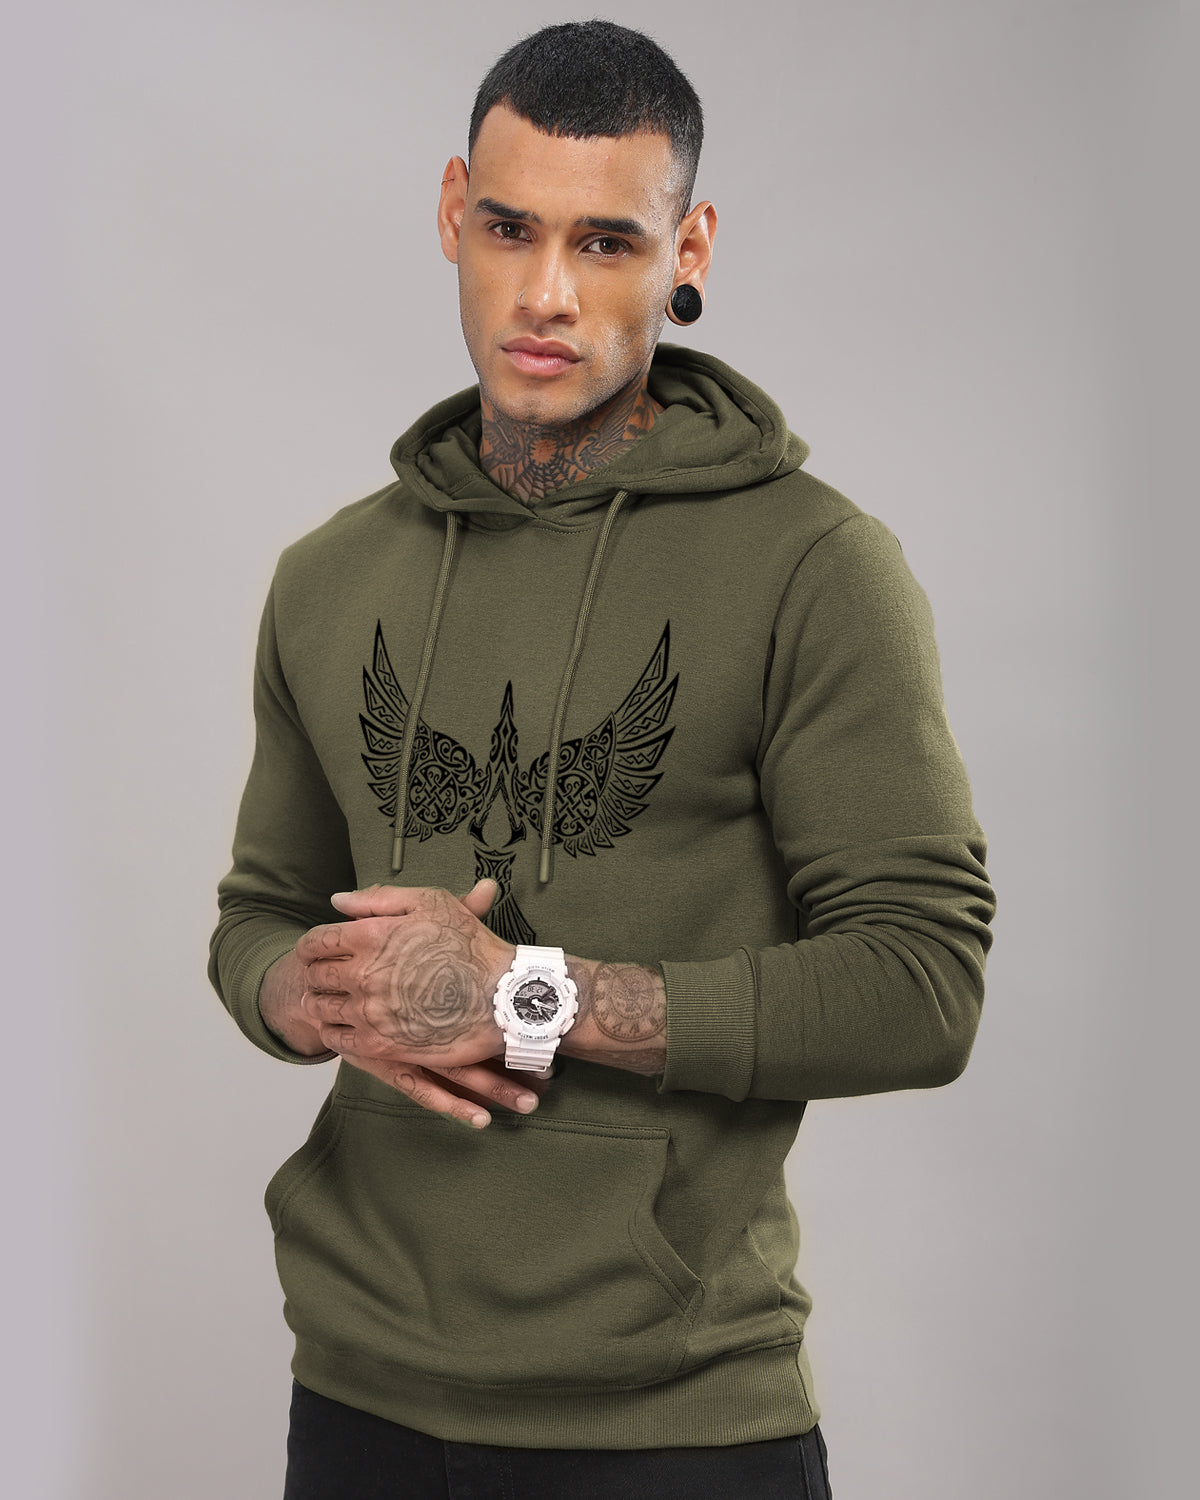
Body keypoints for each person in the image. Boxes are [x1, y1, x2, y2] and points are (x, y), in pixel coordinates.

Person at [209, 19, 995, 1499]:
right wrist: (305, 992)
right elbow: (258, 915)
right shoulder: (330, 577)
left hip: (674, 1426)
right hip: (360, 1397)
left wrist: (529, 994)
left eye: (608, 243)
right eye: (511, 228)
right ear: (455, 211)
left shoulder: (816, 568)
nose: (547, 294)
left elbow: (921, 986)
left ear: (687, 248)